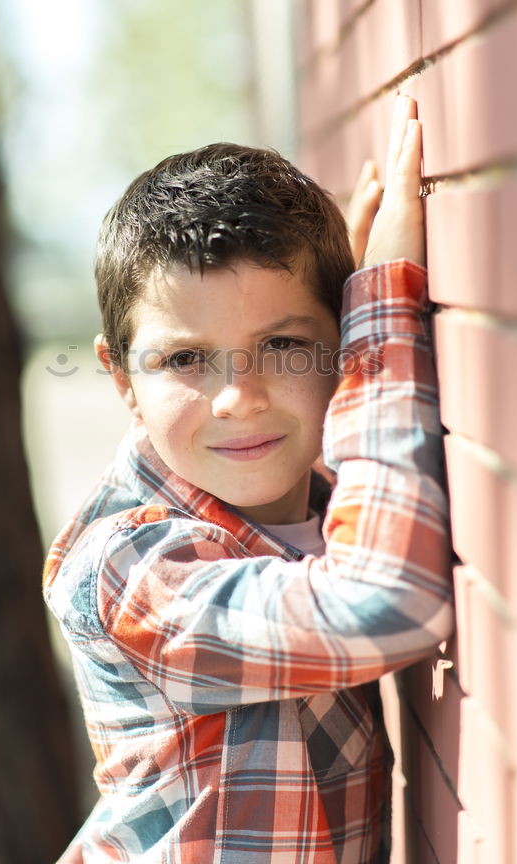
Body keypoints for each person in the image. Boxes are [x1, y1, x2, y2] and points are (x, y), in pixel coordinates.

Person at [43, 95, 453, 863]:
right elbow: (384, 603)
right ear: (120, 376)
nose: (240, 399)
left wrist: (343, 321)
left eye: (284, 345)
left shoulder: (305, 499)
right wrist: (377, 321)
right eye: (184, 359)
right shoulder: (133, 572)